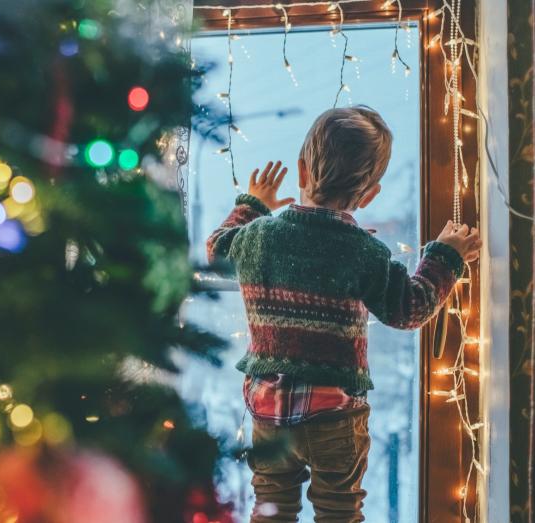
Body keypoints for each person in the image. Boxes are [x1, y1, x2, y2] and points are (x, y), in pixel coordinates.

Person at [206, 106, 481, 522]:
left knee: (270, 510)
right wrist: (445, 256)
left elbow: (217, 249)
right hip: (335, 418)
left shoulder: (258, 237)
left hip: (267, 412)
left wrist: (253, 204)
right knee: (339, 513)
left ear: (301, 171)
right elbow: (409, 309)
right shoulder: (362, 251)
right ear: (370, 194)